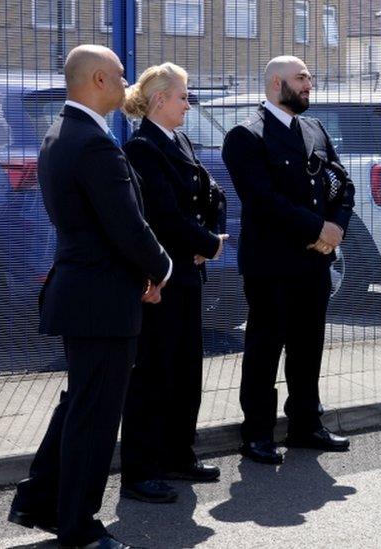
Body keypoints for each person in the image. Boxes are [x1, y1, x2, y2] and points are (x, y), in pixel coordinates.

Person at [7, 45, 172, 548]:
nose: (128, 85)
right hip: (101, 301)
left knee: (79, 405)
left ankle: (38, 500)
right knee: (95, 417)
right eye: (122, 76)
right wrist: (161, 268)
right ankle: (77, 526)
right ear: (99, 79)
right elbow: (127, 225)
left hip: (84, 294)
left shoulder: (60, 133)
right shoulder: (93, 143)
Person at [222, 56, 355, 464]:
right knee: (265, 348)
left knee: (308, 345)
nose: (308, 84)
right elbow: (263, 200)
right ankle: (257, 433)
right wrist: (318, 229)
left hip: (315, 262)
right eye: (301, 78)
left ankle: (305, 425)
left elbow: (342, 184)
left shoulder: (314, 128)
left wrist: (336, 228)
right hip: (272, 264)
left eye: (310, 78)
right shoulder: (247, 136)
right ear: (276, 82)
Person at [118, 62, 228, 503]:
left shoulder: (177, 139)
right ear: (160, 100)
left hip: (188, 269)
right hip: (161, 274)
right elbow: (162, 214)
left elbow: (213, 193)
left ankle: (179, 453)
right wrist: (207, 244)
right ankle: (142, 469)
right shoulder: (143, 148)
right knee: (153, 371)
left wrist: (210, 241)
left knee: (186, 367)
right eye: (183, 96)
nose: (188, 103)